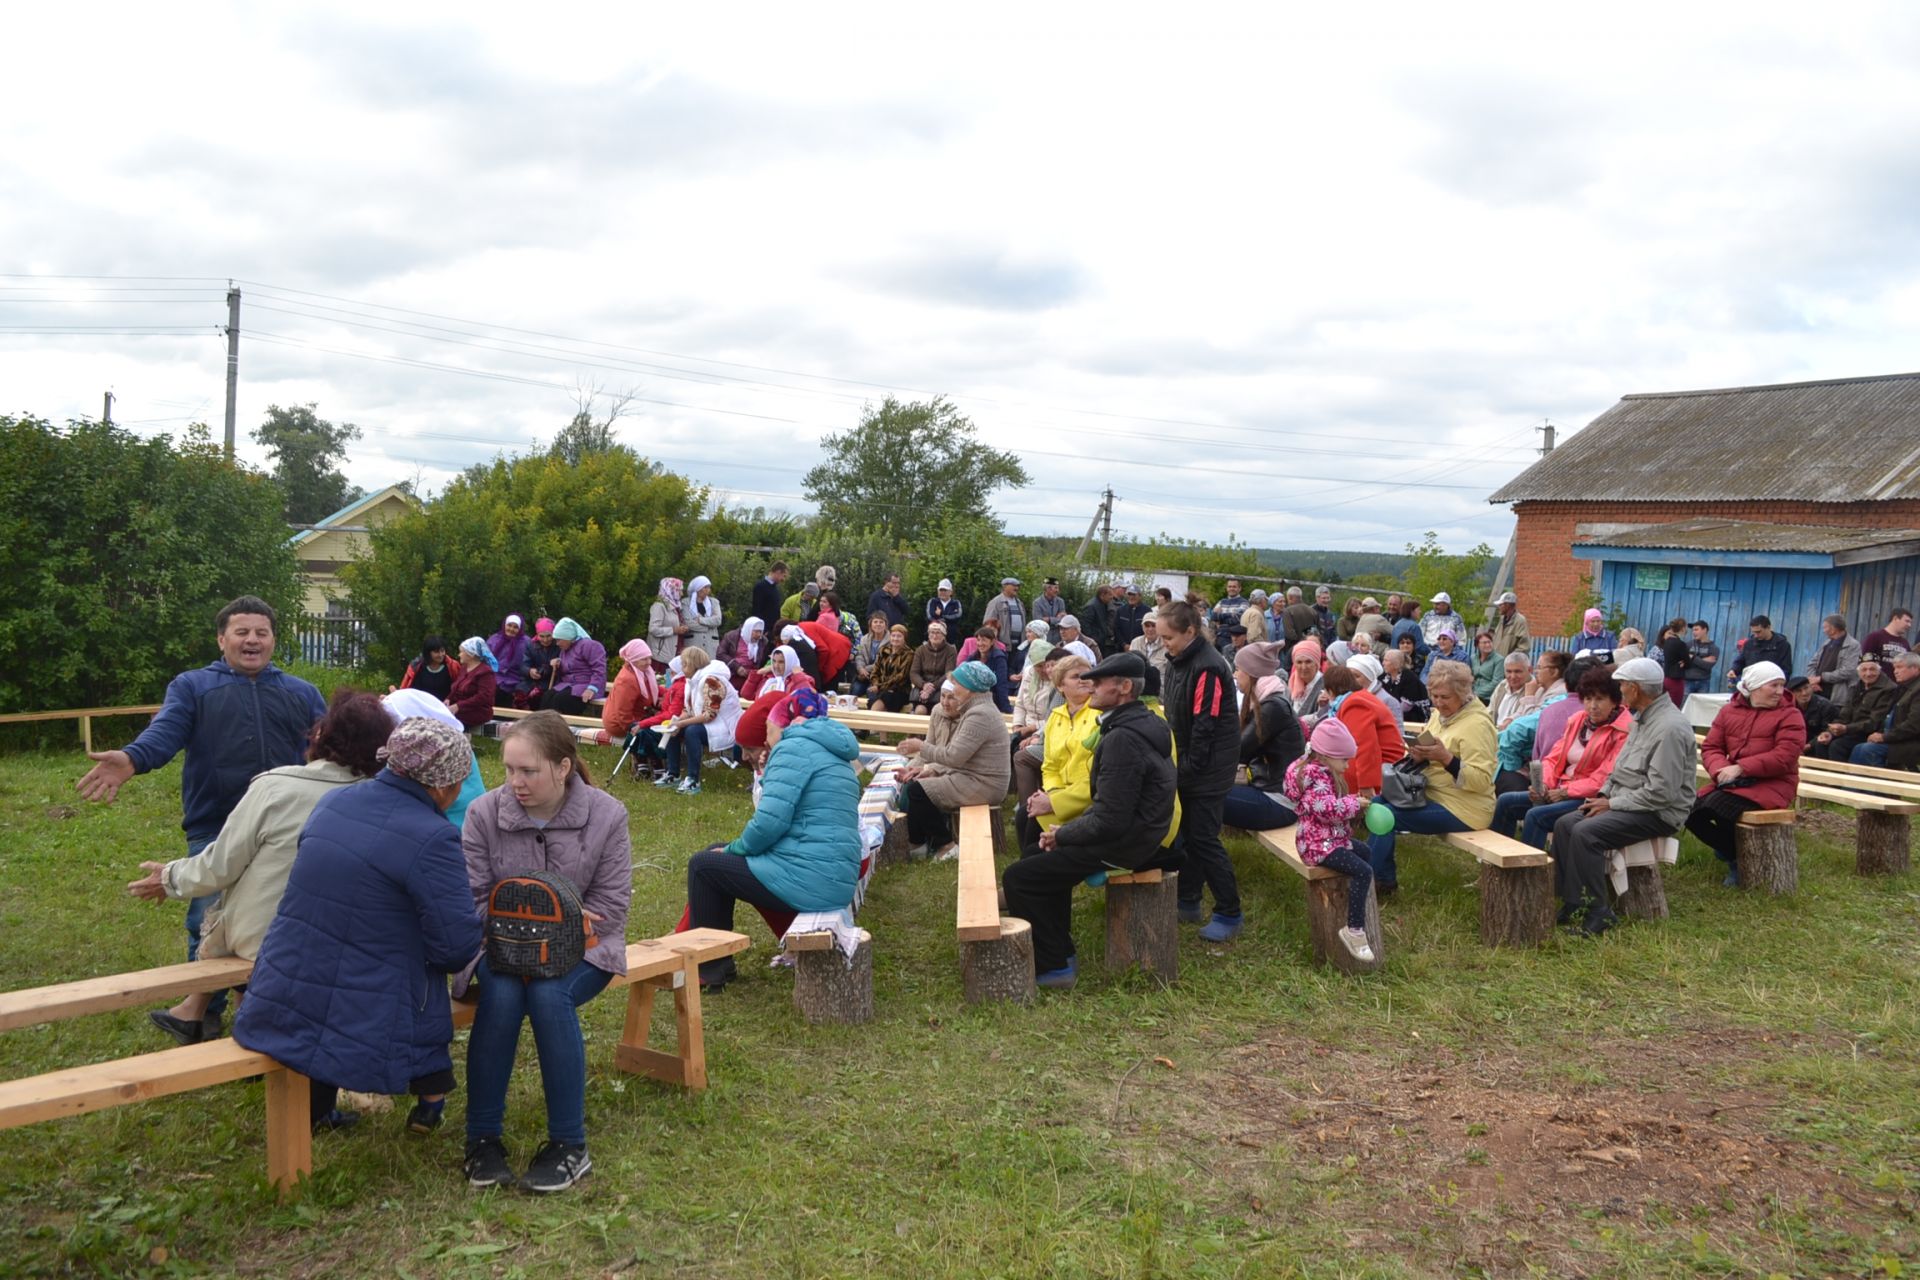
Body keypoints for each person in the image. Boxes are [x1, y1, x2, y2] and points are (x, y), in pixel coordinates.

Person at [77, 595, 327, 1032]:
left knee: (277, 921)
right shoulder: (193, 687)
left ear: (273, 640)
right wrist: (132, 758)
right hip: (216, 822)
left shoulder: (302, 693)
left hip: (288, 829)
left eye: (261, 632)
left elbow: (330, 748)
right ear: (221, 639)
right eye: (242, 632)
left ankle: (263, 1015)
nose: (252, 640)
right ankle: (203, 1017)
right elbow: (166, 730)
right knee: (206, 918)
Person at [232, 717, 481, 1138]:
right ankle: (431, 1099)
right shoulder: (432, 836)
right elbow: (456, 949)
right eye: (460, 780)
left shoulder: (335, 803)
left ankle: (319, 1110)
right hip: (365, 1003)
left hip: (283, 984)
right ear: (440, 785)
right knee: (418, 984)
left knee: (342, 960)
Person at [127, 690, 391, 1045]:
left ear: (320, 734)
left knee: (252, 902)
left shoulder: (275, 787)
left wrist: (169, 876)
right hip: (348, 946)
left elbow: (219, 867)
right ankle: (224, 1016)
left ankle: (230, 1020)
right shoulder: (386, 801)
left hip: (269, 944)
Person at [460, 711, 632, 1192]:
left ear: (562, 767)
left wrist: (559, 935)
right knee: (504, 997)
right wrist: (523, 934)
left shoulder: (607, 815)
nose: (515, 782)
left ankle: (568, 1145)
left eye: (528, 771)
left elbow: (610, 907)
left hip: (586, 950)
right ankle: (482, 1140)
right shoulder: (482, 814)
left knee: (548, 996)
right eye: (509, 769)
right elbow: (472, 900)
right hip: (500, 949)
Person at [1002, 652, 1180, 988]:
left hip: (1130, 843)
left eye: (1098, 682)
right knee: (1034, 858)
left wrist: (1065, 834)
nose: (1090, 686)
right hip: (1135, 832)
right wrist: (1066, 831)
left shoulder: (1122, 738)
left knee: (1020, 878)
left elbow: (1110, 819)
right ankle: (1061, 950)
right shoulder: (1136, 721)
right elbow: (1112, 806)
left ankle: (1054, 966)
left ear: (1125, 687)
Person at [683, 689, 861, 990]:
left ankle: (710, 970)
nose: (766, 738)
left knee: (704, 865)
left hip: (812, 878)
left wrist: (734, 849)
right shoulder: (830, 748)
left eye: (768, 729)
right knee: (717, 858)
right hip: (833, 875)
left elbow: (768, 824)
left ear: (781, 724)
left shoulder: (792, 749)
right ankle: (716, 964)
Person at [1548, 657, 1698, 935]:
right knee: (1565, 824)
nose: (1619, 691)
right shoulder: (1642, 718)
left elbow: (1662, 794)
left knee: (1586, 833)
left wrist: (1612, 803)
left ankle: (1599, 913)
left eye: (1622, 686)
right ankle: (1573, 902)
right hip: (1630, 802)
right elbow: (1620, 770)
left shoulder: (1669, 728)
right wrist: (1604, 795)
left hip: (1659, 813)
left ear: (1635, 689)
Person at [1366, 663, 1497, 896]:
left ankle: (1373, 884)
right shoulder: (1441, 714)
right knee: (1377, 804)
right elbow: (1432, 756)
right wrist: (1418, 756)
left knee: (1384, 817)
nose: (1438, 702)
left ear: (1463, 693)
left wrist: (1446, 758)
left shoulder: (1477, 725)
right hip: (1433, 793)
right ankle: (1381, 880)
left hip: (1466, 808)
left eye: (1445, 697)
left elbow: (1481, 781)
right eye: (1434, 696)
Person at [1155, 600, 1243, 941]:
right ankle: (1188, 899)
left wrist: (1188, 769)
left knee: (1205, 838)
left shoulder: (1208, 667)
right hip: (1188, 760)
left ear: (1190, 632)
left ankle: (1229, 911)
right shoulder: (1178, 661)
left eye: (1168, 638)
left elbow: (1205, 725)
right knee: (1187, 835)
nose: (1164, 644)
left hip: (1208, 766)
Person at [1686, 662, 1803, 885]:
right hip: (1737, 782)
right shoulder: (1729, 711)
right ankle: (1734, 853)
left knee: (1720, 807)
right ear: (1754, 687)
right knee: (1688, 811)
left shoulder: (1790, 715)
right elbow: (1712, 747)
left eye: (1782, 685)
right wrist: (1720, 769)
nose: (1780, 691)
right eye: (1774, 685)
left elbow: (1785, 757)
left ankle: (1738, 863)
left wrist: (1741, 768)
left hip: (1773, 782)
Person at [1488, 668, 1631, 849]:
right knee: (1506, 801)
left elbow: (1603, 778)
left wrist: (1565, 792)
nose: (1593, 705)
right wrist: (1544, 785)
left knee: (1536, 815)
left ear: (1614, 701)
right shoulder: (1578, 720)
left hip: (1590, 797)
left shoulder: (1622, 731)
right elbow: (1553, 759)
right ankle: (1497, 866)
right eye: (1588, 699)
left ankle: (1529, 873)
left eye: (1600, 699)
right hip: (1559, 789)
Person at [1282, 719, 1377, 962]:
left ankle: (1353, 902)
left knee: (1364, 852)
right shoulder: (1318, 777)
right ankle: (1354, 930)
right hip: (1318, 846)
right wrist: (1354, 804)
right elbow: (1327, 810)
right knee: (1363, 871)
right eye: (1344, 760)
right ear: (1326, 755)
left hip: (1328, 839)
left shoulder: (1314, 771)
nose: (1347, 766)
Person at [895, 663, 1011, 858]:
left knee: (917, 791)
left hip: (984, 784)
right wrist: (931, 769)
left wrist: (920, 746)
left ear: (969, 687)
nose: (953, 687)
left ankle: (946, 846)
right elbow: (957, 756)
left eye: (956, 683)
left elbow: (954, 757)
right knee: (917, 786)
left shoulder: (979, 714)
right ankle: (918, 844)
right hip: (975, 778)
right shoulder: (978, 709)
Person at [1017, 653, 1098, 849]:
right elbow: (1049, 765)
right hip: (1060, 790)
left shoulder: (1099, 713)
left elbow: (1097, 772)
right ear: (1060, 686)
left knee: (1033, 823)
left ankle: (1039, 863)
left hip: (1088, 796)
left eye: (1087, 675)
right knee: (1024, 815)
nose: (1083, 680)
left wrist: (1054, 801)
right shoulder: (1056, 717)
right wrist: (1052, 793)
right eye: (1076, 676)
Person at [1223, 664, 1304, 832]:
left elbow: (1237, 750)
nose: (1235, 674)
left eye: (1238, 669)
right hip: (1268, 791)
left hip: (1278, 801)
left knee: (1200, 794)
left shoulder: (1272, 707)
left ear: (1252, 674)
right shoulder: (1266, 700)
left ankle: (1205, 856)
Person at [658, 647, 741, 796]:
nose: (682, 668)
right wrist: (676, 721)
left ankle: (692, 779)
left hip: (725, 726)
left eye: (684, 664)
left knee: (692, 731)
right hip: (709, 724)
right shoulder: (691, 681)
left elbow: (710, 714)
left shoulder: (711, 680)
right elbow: (687, 709)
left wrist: (682, 724)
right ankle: (673, 773)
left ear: (693, 663)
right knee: (672, 729)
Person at [1322, 663, 1406, 798]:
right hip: (1380, 767)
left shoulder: (1355, 703)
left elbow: (1365, 746)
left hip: (1381, 771)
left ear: (1331, 690)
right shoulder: (1358, 697)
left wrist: (1366, 785)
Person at [1811, 656, 1894, 761]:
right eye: (1864, 670)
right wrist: (1830, 732)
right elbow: (1844, 715)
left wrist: (1846, 729)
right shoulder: (1856, 687)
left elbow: (1875, 722)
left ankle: (1839, 776)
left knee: (1838, 745)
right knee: (1822, 742)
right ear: (1858, 672)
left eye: (1872, 669)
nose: (1868, 674)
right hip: (1851, 731)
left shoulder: (1888, 689)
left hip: (1868, 733)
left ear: (1879, 670)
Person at [1850, 649, 1920, 768]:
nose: (1895, 672)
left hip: (1910, 742)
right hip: (1896, 738)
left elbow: (1913, 725)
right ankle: (1851, 785)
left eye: (1899, 667)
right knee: (1858, 747)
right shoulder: (1902, 688)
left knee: (1868, 750)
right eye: (1894, 668)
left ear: (1915, 668)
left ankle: (1878, 785)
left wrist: (1884, 737)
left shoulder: (1917, 690)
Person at [596, 639, 660, 746]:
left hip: (636, 716)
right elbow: (622, 712)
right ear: (633, 660)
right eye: (644, 659)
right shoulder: (627, 680)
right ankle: (644, 760)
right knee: (658, 731)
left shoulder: (642, 672)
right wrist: (633, 727)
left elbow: (650, 691)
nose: (649, 662)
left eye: (649, 658)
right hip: (619, 724)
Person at [547, 618, 607, 716]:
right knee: (548, 696)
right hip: (570, 685)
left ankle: (564, 727)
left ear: (567, 637)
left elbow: (600, 669)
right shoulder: (564, 650)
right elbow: (566, 670)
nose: (557, 644)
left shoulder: (589, 645)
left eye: (559, 640)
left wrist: (591, 688)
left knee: (562, 700)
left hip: (587, 685)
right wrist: (558, 664)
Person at [1804, 613, 1862, 709]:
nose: (1824, 631)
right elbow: (1812, 664)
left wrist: (1821, 678)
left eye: (1825, 627)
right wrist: (1813, 682)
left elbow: (1848, 671)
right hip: (1817, 693)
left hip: (1837, 697)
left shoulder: (1853, 645)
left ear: (1834, 628)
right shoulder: (1826, 643)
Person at [447, 638, 499, 729]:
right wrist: (448, 699)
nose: (459, 655)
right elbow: (457, 687)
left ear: (471, 654)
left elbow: (483, 696)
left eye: (462, 652)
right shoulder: (464, 668)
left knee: (447, 720)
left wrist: (458, 706)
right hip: (462, 709)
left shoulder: (486, 672)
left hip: (478, 711)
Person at [1728, 614, 1793, 688]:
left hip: (1771, 686)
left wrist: (1777, 685)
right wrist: (1734, 670)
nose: (1756, 635)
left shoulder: (1782, 645)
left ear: (1768, 627)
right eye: (1753, 632)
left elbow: (1786, 670)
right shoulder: (1749, 644)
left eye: (1758, 632)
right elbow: (1740, 661)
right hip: (1750, 685)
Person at [908, 621, 958, 712]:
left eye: (938, 633)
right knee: (920, 711)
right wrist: (924, 685)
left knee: (939, 711)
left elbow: (949, 673)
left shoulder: (951, 650)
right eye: (932, 632)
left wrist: (932, 687)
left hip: (941, 688)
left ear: (944, 635)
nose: (935, 636)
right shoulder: (920, 650)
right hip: (922, 687)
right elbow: (914, 672)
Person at [865, 624, 915, 711]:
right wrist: (876, 684)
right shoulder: (883, 650)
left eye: (899, 636)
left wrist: (879, 687)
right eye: (893, 635)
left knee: (880, 704)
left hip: (899, 690)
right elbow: (875, 671)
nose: (895, 639)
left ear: (904, 638)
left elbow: (901, 677)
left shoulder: (909, 654)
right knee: (874, 698)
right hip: (881, 689)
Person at [488, 615, 531, 707]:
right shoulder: (495, 639)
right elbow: (486, 658)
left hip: (515, 678)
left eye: (515, 627)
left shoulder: (526, 643)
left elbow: (528, 664)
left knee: (499, 692)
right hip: (494, 675)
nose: (511, 629)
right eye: (509, 625)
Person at [646, 577, 690, 666]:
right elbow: (653, 629)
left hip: (673, 654)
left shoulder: (676, 606)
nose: (681, 594)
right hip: (660, 656)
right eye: (679, 590)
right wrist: (674, 630)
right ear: (670, 590)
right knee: (662, 679)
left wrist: (683, 628)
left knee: (671, 680)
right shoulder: (659, 606)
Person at [1787, 675, 1834, 753]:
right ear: (1792, 694)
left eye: (1806, 688)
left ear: (1811, 687)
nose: (1804, 693)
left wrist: (1809, 746)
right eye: (1799, 690)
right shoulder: (1788, 707)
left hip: (1817, 744)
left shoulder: (1825, 706)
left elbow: (1827, 731)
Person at [1381, 645, 1429, 723]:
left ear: (1396, 664)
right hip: (1391, 714)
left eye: (1386, 660)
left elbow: (1406, 706)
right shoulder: (1385, 677)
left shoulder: (1409, 678)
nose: (1383, 663)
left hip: (1413, 716)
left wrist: (1387, 714)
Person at [717, 616, 767, 689]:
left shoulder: (763, 642)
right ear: (749, 630)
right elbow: (720, 654)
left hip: (752, 678)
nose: (759, 635)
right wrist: (736, 667)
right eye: (756, 631)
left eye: (760, 632)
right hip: (732, 674)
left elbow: (764, 662)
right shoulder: (731, 636)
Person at [400, 635, 455, 701]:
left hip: (444, 707)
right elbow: (406, 688)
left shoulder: (452, 666)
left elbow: (457, 689)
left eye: (442, 651)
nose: (440, 655)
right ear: (428, 653)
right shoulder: (416, 668)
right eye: (436, 652)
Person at [1490, 652, 1536, 729]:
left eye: (1517, 671)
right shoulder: (1502, 685)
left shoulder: (1535, 689)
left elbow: (1527, 719)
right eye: (1509, 671)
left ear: (1530, 670)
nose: (1513, 676)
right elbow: (1490, 711)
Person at [522, 619, 562, 708]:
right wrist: (529, 671)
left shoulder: (559, 645)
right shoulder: (531, 645)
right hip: (532, 681)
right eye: (542, 636)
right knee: (520, 694)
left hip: (552, 682)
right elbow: (523, 664)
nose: (545, 640)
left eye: (548, 636)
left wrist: (557, 663)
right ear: (537, 634)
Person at [850, 613, 889, 699]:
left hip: (880, 677)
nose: (878, 624)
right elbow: (859, 655)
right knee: (855, 692)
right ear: (871, 624)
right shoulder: (864, 639)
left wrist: (865, 669)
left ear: (885, 625)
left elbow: (882, 662)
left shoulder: (890, 641)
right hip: (863, 676)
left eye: (881, 622)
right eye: (875, 622)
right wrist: (860, 668)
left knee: (871, 694)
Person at [1657, 616, 1692, 707]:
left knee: (1664, 706)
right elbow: (1688, 663)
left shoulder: (1667, 642)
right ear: (1683, 628)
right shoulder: (1680, 644)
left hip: (1666, 677)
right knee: (1674, 707)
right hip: (1676, 680)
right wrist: (1686, 661)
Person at [684, 575, 724, 656]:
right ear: (698, 588)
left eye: (709, 587)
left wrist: (701, 620)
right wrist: (709, 626)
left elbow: (718, 620)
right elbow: (688, 623)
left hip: (711, 645)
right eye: (705, 587)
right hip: (693, 643)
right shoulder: (686, 602)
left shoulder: (714, 602)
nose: (708, 590)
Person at [1286, 639, 1325, 720]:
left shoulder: (1324, 686)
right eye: (1299, 662)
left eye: (1308, 662)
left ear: (1316, 664)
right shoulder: (1292, 683)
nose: (1303, 667)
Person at [1130, 613, 1171, 685]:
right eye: (1147, 626)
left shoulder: (1167, 645)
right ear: (1142, 627)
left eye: (1153, 625)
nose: (1150, 629)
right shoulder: (1135, 642)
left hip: (1161, 688)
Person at [982, 577, 1027, 643]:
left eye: (1017, 586)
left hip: (1019, 644)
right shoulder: (995, 602)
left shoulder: (1019, 603)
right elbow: (988, 623)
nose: (1016, 588)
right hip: (1002, 644)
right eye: (1013, 586)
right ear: (1005, 586)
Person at [750, 561, 789, 636]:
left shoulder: (775, 589)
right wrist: (761, 630)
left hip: (772, 630)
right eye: (783, 576)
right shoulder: (760, 587)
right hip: (764, 631)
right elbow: (757, 609)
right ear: (778, 572)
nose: (783, 579)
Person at [1683, 620, 1719, 695]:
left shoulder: (1713, 648)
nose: (1693, 632)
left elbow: (1708, 665)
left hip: (1703, 682)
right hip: (1687, 681)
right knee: (1684, 705)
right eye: (1693, 630)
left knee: (1700, 705)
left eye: (1696, 629)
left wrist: (1692, 657)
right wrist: (1703, 660)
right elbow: (1684, 662)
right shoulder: (1688, 645)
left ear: (1704, 630)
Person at [1488, 592, 1529, 657]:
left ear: (1507, 605)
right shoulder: (1502, 620)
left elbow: (1524, 647)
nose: (1499, 607)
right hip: (1497, 662)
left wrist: (1510, 659)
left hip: (1510, 664)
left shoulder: (1520, 621)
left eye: (1501, 605)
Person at [1081, 584, 1117, 656]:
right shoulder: (1091, 606)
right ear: (1102, 595)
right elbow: (1085, 626)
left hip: (1102, 641)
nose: (1112, 597)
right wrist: (1095, 639)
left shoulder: (1104, 604)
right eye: (1109, 595)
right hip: (1094, 642)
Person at [1469, 632, 1503, 703]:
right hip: (1472, 694)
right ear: (1477, 645)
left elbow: (1496, 682)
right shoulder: (1473, 658)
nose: (1488, 645)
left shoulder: (1499, 660)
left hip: (1488, 697)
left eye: (1489, 642)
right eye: (1484, 643)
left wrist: (1477, 694)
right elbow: (1469, 677)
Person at [1033, 577, 1069, 642]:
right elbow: (1038, 621)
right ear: (1048, 589)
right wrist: (1055, 619)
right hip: (1044, 638)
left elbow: (1063, 619)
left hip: (1058, 638)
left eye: (1057, 588)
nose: (1057, 590)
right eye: (1055, 588)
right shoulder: (1037, 603)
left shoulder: (1060, 601)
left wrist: (1048, 619)